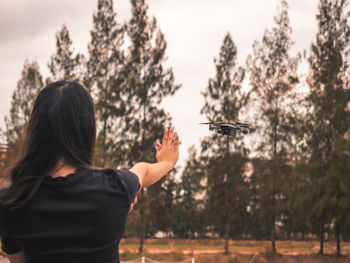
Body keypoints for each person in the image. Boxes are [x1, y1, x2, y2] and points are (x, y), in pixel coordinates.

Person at [0, 81, 179, 263]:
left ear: (36, 129)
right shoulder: (114, 189)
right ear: (86, 129)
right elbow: (143, 171)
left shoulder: (11, 202)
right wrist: (167, 162)